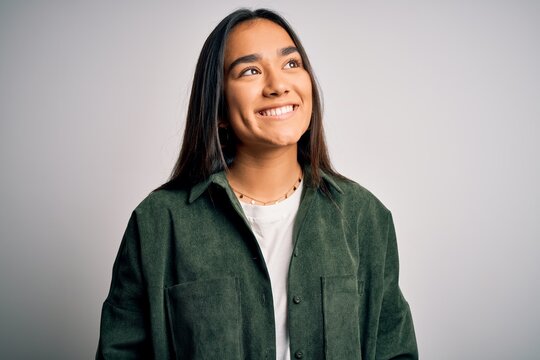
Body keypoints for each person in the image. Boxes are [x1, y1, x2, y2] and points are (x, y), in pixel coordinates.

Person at [96, 8, 418, 360]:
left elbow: (394, 350)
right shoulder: (158, 223)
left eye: (291, 64)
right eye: (250, 71)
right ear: (217, 108)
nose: (278, 85)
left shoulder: (364, 217)